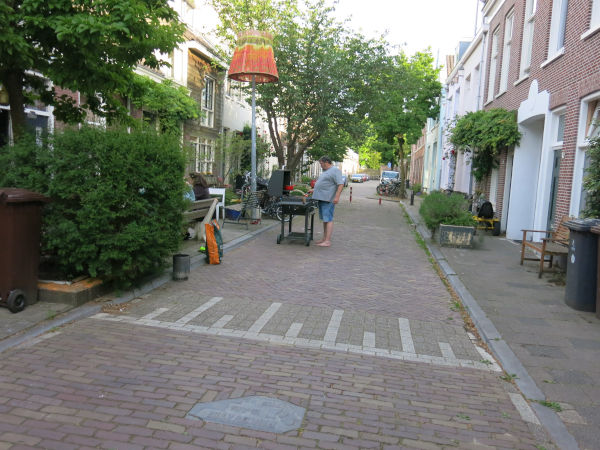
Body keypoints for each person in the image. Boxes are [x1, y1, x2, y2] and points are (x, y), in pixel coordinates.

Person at [308, 156, 344, 247]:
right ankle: (324, 238)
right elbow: (326, 184)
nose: (320, 165)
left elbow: (340, 184)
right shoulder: (326, 171)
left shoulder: (335, 170)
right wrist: (314, 190)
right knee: (325, 219)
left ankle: (327, 241)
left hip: (328, 199)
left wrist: (337, 197)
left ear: (326, 162)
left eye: (321, 163)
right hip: (322, 198)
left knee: (328, 219)